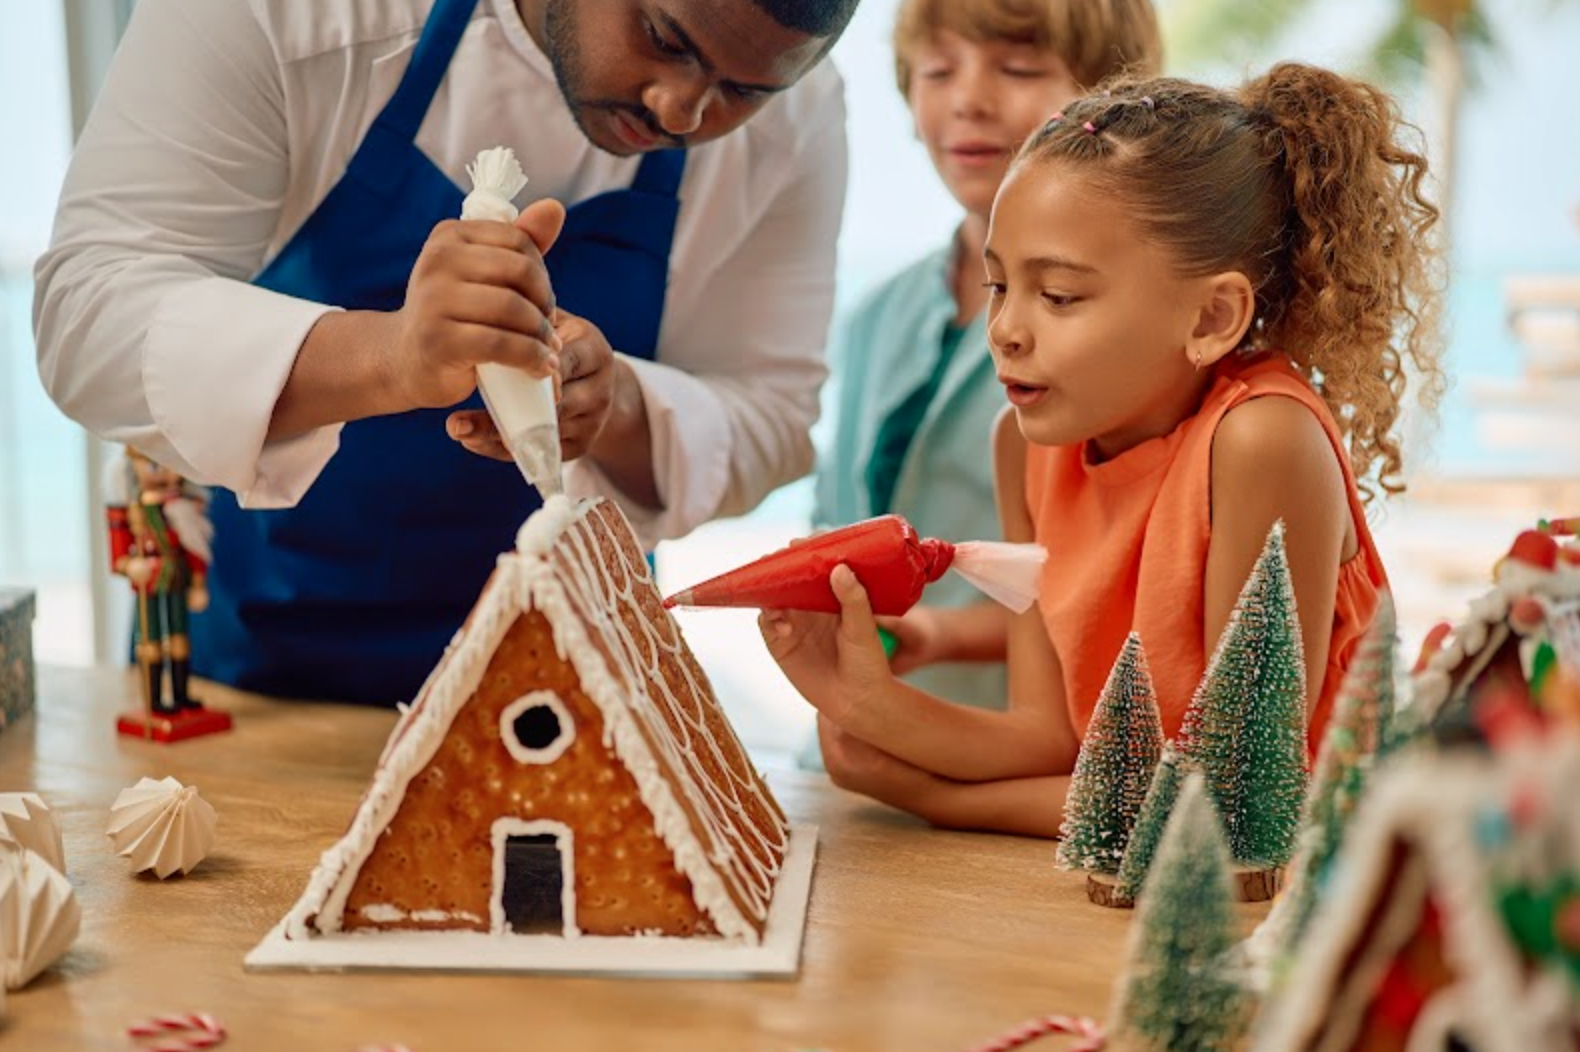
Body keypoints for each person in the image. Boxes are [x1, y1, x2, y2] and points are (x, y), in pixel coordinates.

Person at [35, 0, 856, 704]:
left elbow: (774, 419)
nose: (682, 111)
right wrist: (391, 354)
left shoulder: (800, 118)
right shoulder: (299, 15)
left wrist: (616, 406)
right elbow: (89, 316)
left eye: (744, 90)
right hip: (264, 678)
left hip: (573, 692)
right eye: (664, 37)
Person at [763, 64, 1445, 836]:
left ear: (1212, 317)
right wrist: (872, 715)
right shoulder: (1024, 449)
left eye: (1057, 296)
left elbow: (1237, 808)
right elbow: (1050, 735)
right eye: (998, 287)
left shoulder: (1263, 441)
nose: (1006, 329)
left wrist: (936, 797)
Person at [813, 0, 1160, 722]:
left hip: (1019, 766)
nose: (969, 99)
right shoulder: (877, 315)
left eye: (1019, 68)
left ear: (1112, 102)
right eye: (937, 70)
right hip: (852, 751)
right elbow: (833, 527)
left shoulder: (1133, 334)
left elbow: (1124, 589)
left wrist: (940, 634)